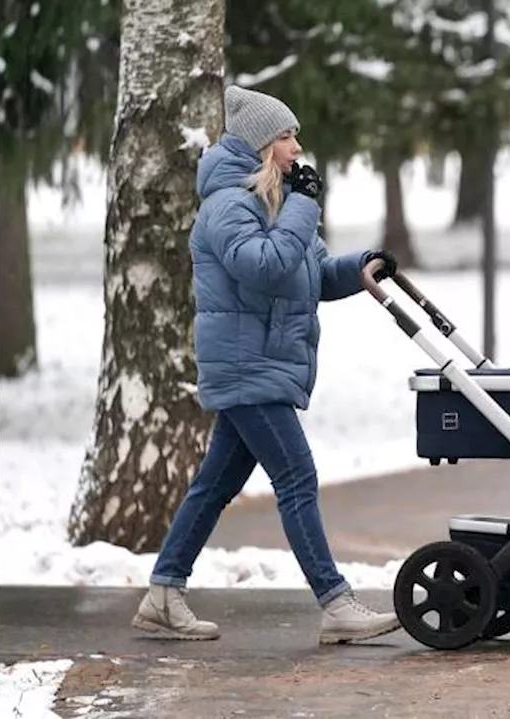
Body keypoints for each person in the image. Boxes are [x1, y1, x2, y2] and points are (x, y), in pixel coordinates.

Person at [131, 86, 401, 643]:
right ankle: (335, 603)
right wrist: (305, 204)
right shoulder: (229, 203)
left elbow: (314, 274)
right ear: (259, 145)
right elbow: (267, 268)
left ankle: (163, 592)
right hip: (246, 365)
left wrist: (364, 266)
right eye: (286, 137)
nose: (298, 148)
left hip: (260, 364)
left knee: (213, 485)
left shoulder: (274, 198)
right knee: (296, 475)